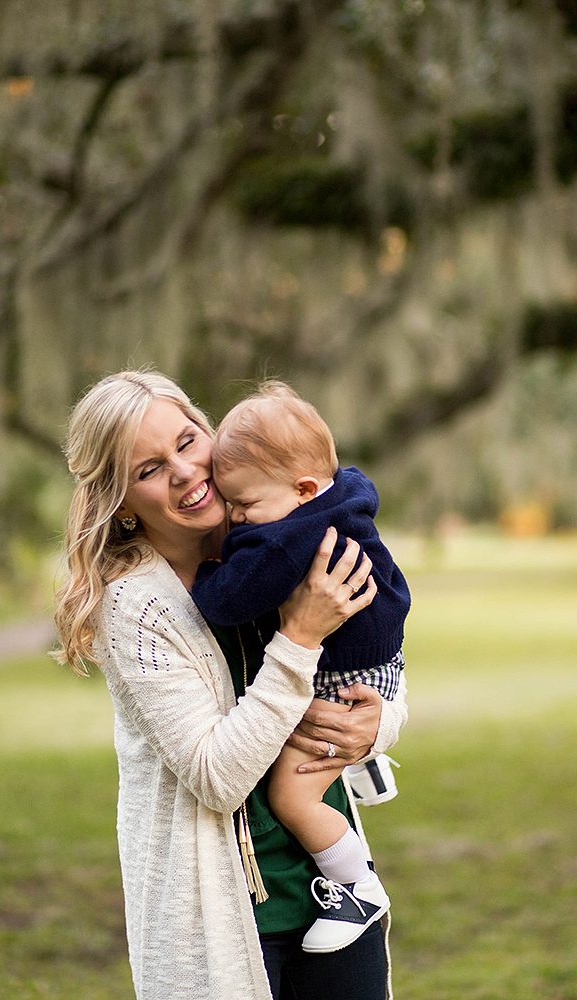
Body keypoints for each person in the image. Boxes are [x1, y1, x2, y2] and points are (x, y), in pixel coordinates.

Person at [53, 370, 407, 1000]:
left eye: (187, 441)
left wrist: (377, 723)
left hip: (333, 890)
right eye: (149, 469)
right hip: (219, 913)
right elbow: (217, 776)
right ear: (120, 501)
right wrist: (299, 636)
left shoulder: (276, 532)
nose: (184, 471)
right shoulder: (136, 607)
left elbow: (373, 654)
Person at [191, 381, 410, 954]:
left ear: (304, 488)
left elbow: (231, 600)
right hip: (374, 663)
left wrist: (206, 576)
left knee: (293, 797)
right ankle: (363, 766)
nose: (236, 518)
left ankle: (357, 887)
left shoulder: (289, 539)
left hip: (346, 679)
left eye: (245, 504)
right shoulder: (341, 497)